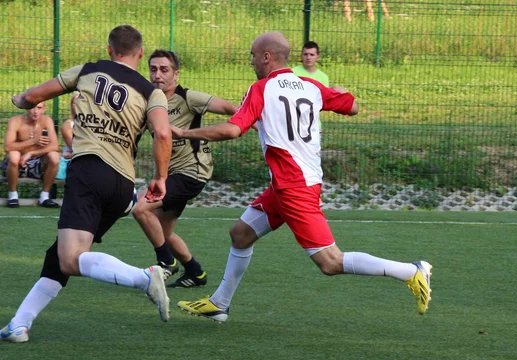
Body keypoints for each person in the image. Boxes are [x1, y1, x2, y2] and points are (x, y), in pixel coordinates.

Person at [173, 32, 432, 323]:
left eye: (253, 55)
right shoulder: (311, 86)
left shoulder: (261, 89)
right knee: (241, 234)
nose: (251, 61)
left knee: (330, 262)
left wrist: (183, 132)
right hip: (292, 183)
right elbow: (354, 107)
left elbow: (234, 130)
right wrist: (340, 91)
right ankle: (219, 304)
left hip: (293, 187)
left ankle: (411, 271)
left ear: (267, 56)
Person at [1, 25, 172, 343]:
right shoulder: (153, 92)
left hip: (90, 173)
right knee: (60, 258)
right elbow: (163, 134)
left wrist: (20, 98)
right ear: (138, 53)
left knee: (70, 258)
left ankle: (144, 278)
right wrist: (160, 177)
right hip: (123, 186)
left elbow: (33, 97)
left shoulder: (89, 70)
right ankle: (19, 324)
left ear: (109, 50)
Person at [132, 49, 238, 288]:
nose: (157, 74)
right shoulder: (149, 103)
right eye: (153, 69)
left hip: (192, 172)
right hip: (171, 176)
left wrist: (260, 124)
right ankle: (195, 272)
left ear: (176, 74)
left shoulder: (189, 98)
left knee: (140, 209)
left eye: (164, 69)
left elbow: (232, 110)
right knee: (161, 231)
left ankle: (166, 264)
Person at [1, 102, 60, 208]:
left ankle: (44, 197)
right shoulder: (15, 121)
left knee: (54, 156)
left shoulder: (47, 121)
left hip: (38, 163)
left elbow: (55, 146)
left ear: (44, 109)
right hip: (18, 162)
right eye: (32, 107)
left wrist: (31, 153)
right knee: (14, 155)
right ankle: (13, 196)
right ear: (26, 108)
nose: (35, 111)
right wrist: (33, 141)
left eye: (39, 107)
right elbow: (8, 147)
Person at [57, 92, 80, 179]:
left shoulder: (93, 125)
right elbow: (75, 147)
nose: (78, 105)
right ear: (71, 106)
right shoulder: (68, 125)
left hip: (83, 159)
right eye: (75, 102)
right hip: (70, 162)